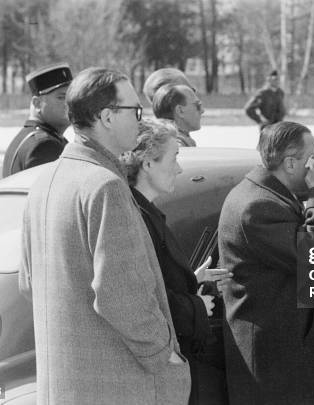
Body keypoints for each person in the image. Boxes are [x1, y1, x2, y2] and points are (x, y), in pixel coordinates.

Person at [19, 67, 190, 404]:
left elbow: (28, 284)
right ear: (108, 117)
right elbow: (120, 295)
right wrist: (164, 353)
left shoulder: (45, 180)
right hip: (120, 387)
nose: (139, 121)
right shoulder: (105, 186)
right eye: (134, 110)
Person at [218, 121, 314, 405]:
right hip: (276, 361)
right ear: (291, 164)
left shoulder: (270, 195)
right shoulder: (257, 206)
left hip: (295, 348)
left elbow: (289, 270)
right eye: (313, 155)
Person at [119, 119, 232, 405]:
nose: (179, 169)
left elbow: (154, 279)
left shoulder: (145, 209)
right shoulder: (135, 216)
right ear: (146, 164)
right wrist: (197, 306)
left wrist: (193, 280)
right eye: (174, 158)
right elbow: (136, 297)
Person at [2, 63, 73, 177]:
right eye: (61, 97)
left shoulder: (30, 137)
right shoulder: (44, 145)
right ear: (37, 103)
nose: (68, 104)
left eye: (71, 97)